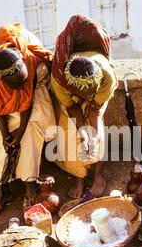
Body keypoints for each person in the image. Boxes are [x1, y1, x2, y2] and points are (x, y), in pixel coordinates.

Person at [0, 23, 56, 215]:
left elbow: (26, 101)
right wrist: (5, 133)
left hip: (34, 91)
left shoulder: (32, 63)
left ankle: (30, 183)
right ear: (0, 79)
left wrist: (19, 133)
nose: (20, 86)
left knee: (30, 129)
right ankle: (3, 189)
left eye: (22, 81)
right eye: (15, 84)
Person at [50, 14, 118, 199]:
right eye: (84, 92)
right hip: (71, 97)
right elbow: (72, 108)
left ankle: (98, 176)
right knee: (70, 133)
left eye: (91, 90)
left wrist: (93, 136)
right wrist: (81, 131)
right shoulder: (59, 79)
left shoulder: (106, 77)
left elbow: (94, 110)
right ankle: (79, 176)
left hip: (98, 97)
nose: (87, 95)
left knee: (97, 135)